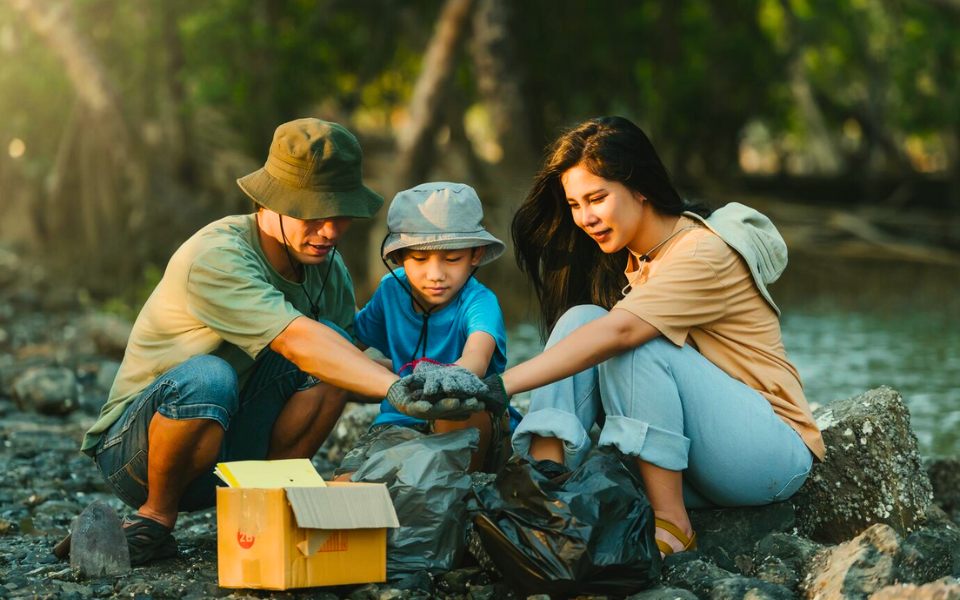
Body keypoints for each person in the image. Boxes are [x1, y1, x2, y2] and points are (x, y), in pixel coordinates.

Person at [435, 116, 823, 558]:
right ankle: (543, 494)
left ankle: (673, 527)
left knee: (631, 340)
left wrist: (496, 387)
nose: (585, 218)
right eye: (575, 204)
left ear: (640, 187)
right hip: (693, 461)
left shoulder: (700, 251)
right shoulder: (634, 263)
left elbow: (622, 332)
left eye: (597, 199)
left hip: (766, 456)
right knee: (581, 317)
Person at [78, 118, 411, 565]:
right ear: (271, 203)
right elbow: (297, 342)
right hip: (136, 453)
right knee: (211, 376)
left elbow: (341, 364)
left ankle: (263, 508)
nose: (330, 231)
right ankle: (153, 519)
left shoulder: (328, 269)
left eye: (341, 215)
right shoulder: (217, 255)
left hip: (230, 445)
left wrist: (414, 381)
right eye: (315, 214)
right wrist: (387, 386)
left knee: (338, 352)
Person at [335, 182, 522, 479]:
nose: (435, 275)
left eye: (452, 259)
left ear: (475, 255)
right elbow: (347, 347)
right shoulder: (390, 292)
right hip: (397, 420)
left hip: (467, 417)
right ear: (398, 258)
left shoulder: (479, 301)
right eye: (419, 260)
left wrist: (453, 376)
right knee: (348, 488)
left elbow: (477, 353)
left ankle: (461, 502)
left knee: (456, 413)